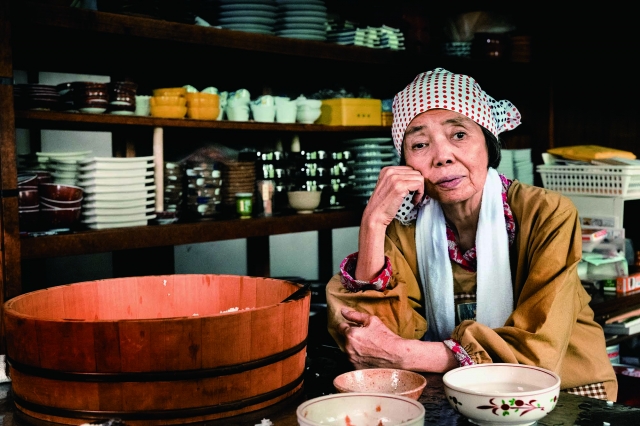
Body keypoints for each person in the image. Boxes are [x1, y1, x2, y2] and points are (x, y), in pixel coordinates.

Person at [326, 68, 618, 401]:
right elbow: (377, 343)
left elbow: (539, 351)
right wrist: (373, 223)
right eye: (420, 144)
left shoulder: (547, 213)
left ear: (488, 143)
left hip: (565, 388)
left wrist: (408, 354)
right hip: (456, 388)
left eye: (459, 135)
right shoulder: (403, 226)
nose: (442, 156)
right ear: (404, 162)